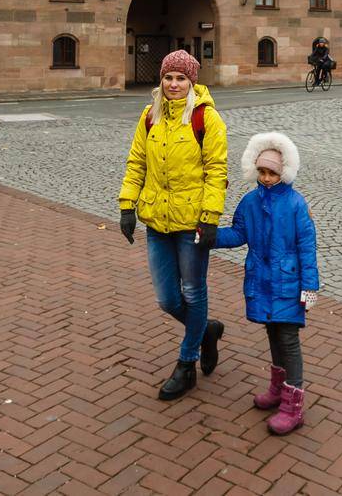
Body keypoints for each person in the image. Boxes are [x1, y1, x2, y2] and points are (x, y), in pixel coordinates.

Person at [118, 49, 228, 400]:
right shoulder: (149, 116)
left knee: (193, 293)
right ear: (161, 80)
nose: (174, 84)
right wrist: (126, 205)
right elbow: (137, 162)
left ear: (192, 82)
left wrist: (209, 218)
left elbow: (216, 170)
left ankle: (187, 362)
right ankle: (206, 331)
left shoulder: (206, 119)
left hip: (191, 223)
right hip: (156, 221)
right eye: (169, 77)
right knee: (167, 299)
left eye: (181, 78)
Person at [210, 131, 320, 435]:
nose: (267, 177)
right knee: (273, 334)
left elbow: (307, 248)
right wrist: (209, 237)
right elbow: (239, 234)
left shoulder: (296, 205)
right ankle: (277, 388)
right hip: (263, 281)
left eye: (272, 172)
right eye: (262, 171)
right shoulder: (250, 202)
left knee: (288, 340)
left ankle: (293, 404)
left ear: (283, 172)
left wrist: (310, 286)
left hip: (288, 283)